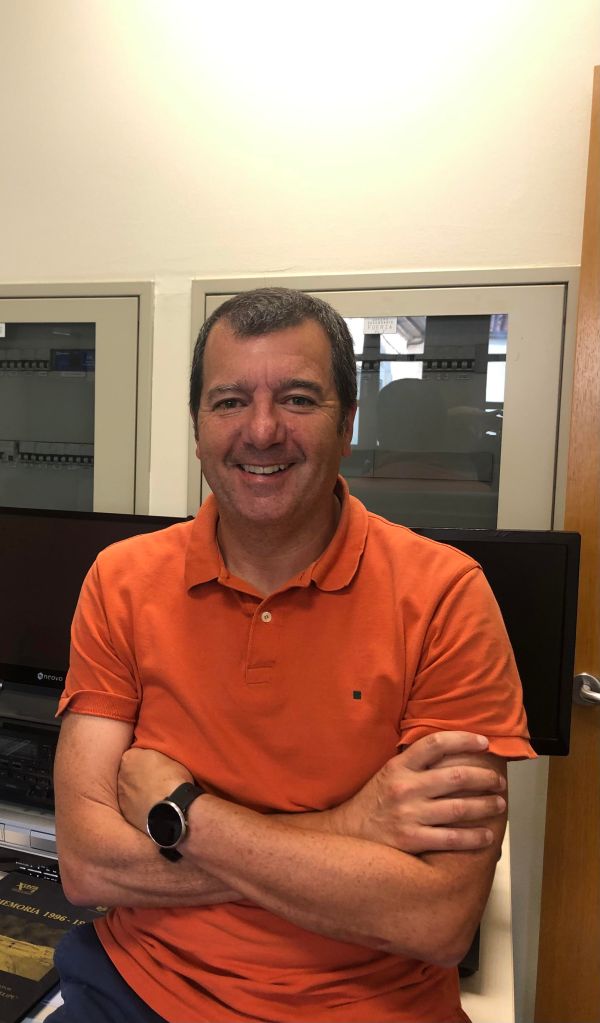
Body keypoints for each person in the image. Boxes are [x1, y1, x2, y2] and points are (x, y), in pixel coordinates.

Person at [50, 287, 534, 1023]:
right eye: (229, 401)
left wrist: (185, 815)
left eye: (299, 399)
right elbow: (88, 865)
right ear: (197, 427)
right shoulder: (122, 580)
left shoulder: (446, 596)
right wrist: (349, 828)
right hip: (135, 989)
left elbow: (435, 918)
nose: (262, 430)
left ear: (348, 424)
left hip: (368, 1009)